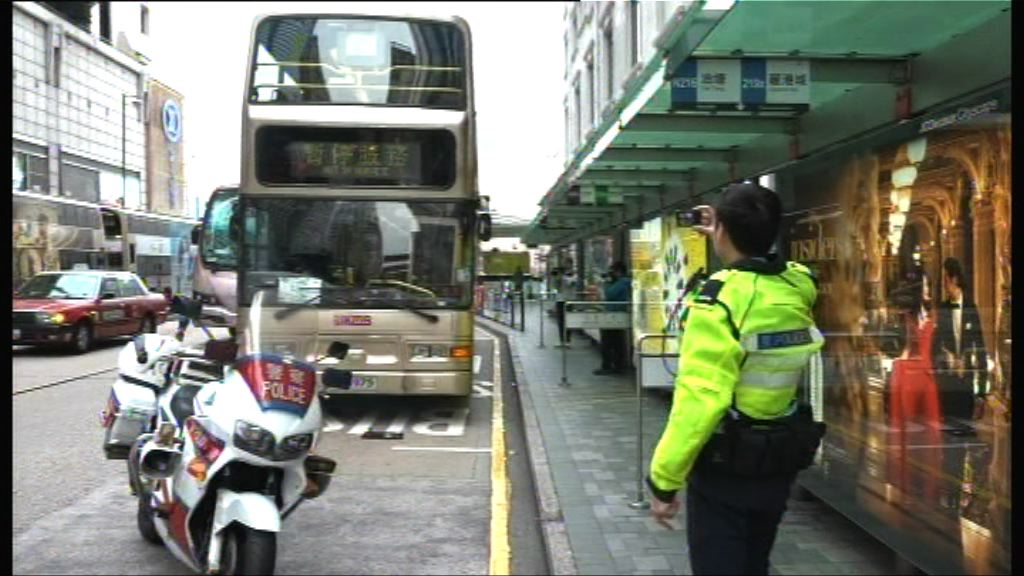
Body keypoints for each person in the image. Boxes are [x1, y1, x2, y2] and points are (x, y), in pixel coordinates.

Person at [645, 182, 825, 575]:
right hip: (780, 461)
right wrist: (732, 238)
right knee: (755, 563)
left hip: (727, 467)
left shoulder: (717, 303)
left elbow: (700, 401)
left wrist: (663, 481)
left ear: (721, 230)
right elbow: (767, 274)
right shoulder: (798, 286)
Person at [932, 257, 988, 427]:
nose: (944, 284)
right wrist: (946, 358)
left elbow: (980, 350)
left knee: (966, 436)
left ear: (954, 279)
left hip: (966, 385)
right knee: (948, 440)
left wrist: (981, 394)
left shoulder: (971, 308)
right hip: (947, 386)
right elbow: (934, 349)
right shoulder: (942, 309)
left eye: (946, 279)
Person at [594, 261, 631, 375]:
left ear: (619, 271)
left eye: (613, 271)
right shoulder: (621, 282)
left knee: (609, 342)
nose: (611, 274)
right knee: (615, 341)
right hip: (612, 314)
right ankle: (616, 365)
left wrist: (606, 283)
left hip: (615, 315)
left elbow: (609, 294)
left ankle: (611, 366)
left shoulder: (623, 282)